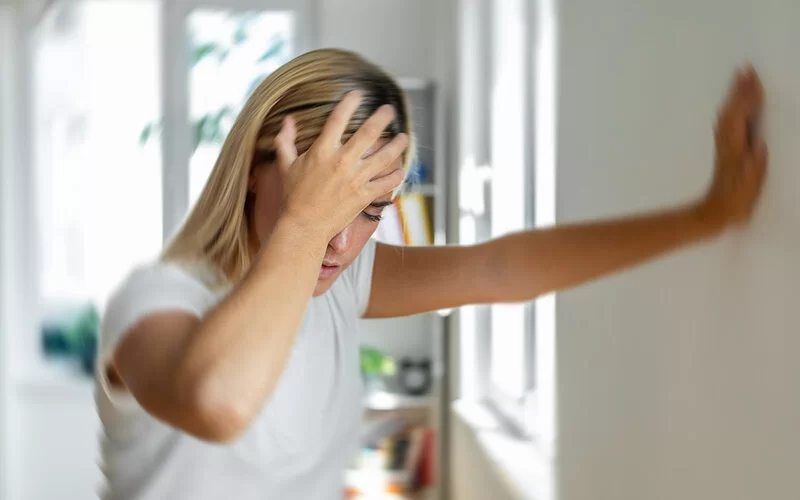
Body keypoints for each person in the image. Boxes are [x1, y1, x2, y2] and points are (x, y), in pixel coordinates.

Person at [96, 48, 767, 500]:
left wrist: (708, 216)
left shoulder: (333, 286)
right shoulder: (154, 302)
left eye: (370, 211)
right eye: (321, 197)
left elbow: (501, 268)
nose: (340, 240)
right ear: (252, 168)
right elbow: (221, 401)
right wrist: (304, 223)